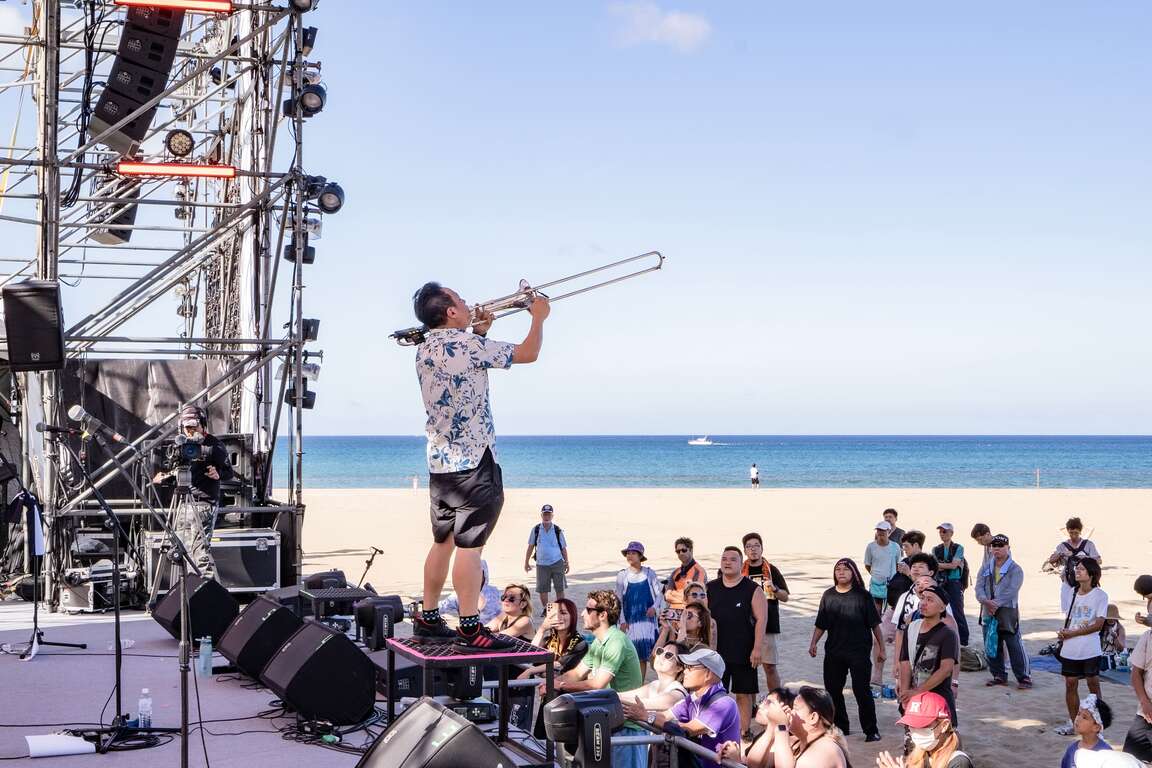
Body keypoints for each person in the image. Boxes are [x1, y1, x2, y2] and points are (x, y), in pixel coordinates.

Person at [409, 281, 549, 650]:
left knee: (443, 542)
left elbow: (460, 364)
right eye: (460, 299)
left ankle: (428, 616)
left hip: (441, 464)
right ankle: (470, 626)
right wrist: (539, 317)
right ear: (450, 311)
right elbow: (528, 353)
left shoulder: (425, 349)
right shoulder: (468, 345)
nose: (468, 301)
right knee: (471, 548)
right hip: (475, 461)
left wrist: (479, 331)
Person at [548, 590, 647, 768]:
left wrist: (561, 685)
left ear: (602, 615)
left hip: (628, 728)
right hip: (610, 723)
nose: (583, 613)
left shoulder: (616, 641)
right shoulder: (598, 642)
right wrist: (550, 684)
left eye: (588, 609)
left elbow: (597, 683)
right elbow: (577, 673)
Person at [151, 404, 234, 578]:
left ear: (202, 424)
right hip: (183, 503)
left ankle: (208, 593)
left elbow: (229, 473)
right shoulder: (181, 445)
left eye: (193, 426)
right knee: (180, 551)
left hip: (204, 504)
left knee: (200, 552)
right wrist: (166, 476)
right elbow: (178, 470)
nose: (190, 431)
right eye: (186, 427)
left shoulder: (214, 446)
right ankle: (187, 591)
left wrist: (218, 474)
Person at [622, 647, 740, 768]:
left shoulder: (724, 704)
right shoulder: (692, 698)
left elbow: (689, 729)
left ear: (708, 674)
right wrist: (640, 712)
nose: (685, 671)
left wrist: (646, 716)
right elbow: (665, 716)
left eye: (690, 667)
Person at [810, 557, 883, 741]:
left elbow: (875, 625)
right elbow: (821, 623)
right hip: (834, 651)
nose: (841, 572)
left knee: (861, 690)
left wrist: (882, 648)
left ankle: (871, 730)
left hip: (859, 651)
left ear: (853, 572)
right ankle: (841, 726)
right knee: (833, 690)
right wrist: (813, 643)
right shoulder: (828, 595)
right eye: (838, 569)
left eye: (845, 569)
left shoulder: (863, 596)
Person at [708, 545, 767, 734]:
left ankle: (743, 731)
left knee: (743, 693)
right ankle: (717, 728)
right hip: (717, 652)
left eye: (733, 559)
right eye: (724, 559)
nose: (727, 562)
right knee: (717, 693)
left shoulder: (752, 589)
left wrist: (757, 648)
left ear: (741, 564)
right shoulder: (711, 588)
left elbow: (761, 619)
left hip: (744, 651)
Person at [1056, 558, 1109, 736]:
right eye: (1077, 569)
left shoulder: (1100, 595)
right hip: (1071, 647)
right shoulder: (1072, 592)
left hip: (1090, 647)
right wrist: (1064, 632)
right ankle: (1074, 722)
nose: (1077, 571)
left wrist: (1073, 633)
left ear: (1092, 574)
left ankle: (1098, 723)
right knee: (1070, 684)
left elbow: (1098, 625)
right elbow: (1070, 618)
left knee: (1093, 684)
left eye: (1082, 569)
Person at [974, 533, 1031, 688]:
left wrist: (995, 603)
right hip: (988, 611)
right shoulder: (986, 567)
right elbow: (979, 586)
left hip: (1007, 611)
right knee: (991, 643)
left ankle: (1024, 677)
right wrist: (985, 601)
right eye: (994, 546)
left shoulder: (1015, 569)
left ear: (1008, 548)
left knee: (1014, 644)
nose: (997, 549)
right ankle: (998, 675)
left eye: (1000, 546)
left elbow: (1012, 590)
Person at [898, 584, 959, 726]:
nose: (924, 603)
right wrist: (906, 692)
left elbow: (946, 669)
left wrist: (918, 691)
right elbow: (905, 662)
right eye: (923, 598)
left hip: (938, 696)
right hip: (914, 695)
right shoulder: (912, 628)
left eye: (930, 600)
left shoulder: (948, 634)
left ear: (942, 608)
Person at [743, 532, 791, 691]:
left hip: (768, 625)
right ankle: (751, 705)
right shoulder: (740, 571)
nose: (753, 549)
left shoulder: (772, 570)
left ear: (762, 548)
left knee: (769, 667)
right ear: (745, 551)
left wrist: (775, 589)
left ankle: (775, 700)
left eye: (756, 545)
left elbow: (785, 597)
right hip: (745, 624)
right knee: (747, 668)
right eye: (749, 546)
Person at [876, 691, 973, 768]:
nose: (916, 732)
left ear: (944, 726)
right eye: (912, 726)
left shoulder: (959, 762)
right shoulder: (922, 753)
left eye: (923, 726)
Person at [615, 541, 664, 677]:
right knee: (633, 656)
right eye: (628, 553)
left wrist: (654, 607)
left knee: (646, 657)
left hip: (647, 622)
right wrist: (622, 621)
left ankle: (641, 684)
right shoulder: (622, 575)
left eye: (633, 553)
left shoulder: (649, 573)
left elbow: (659, 594)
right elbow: (618, 600)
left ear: (640, 556)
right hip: (631, 622)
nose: (630, 556)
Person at [716, 687, 798, 768]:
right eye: (763, 700)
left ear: (783, 712)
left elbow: (753, 765)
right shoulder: (764, 734)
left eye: (769, 703)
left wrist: (736, 761)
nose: (760, 705)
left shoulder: (779, 747)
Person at [771, 686, 851, 768]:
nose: (789, 712)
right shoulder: (799, 742)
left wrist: (781, 727)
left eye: (795, 708)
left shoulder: (825, 749)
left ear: (813, 718)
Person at [519, 597, 587, 679]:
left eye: (563, 613)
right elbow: (530, 657)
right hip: (550, 688)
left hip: (571, 689)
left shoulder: (579, 643)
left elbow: (559, 665)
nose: (558, 617)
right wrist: (542, 630)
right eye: (555, 614)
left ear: (573, 616)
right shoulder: (548, 640)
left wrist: (530, 671)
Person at [1123, 574, 1152, 761]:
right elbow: (1136, 674)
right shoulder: (1147, 638)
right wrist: (1145, 701)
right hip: (1147, 711)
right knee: (1131, 757)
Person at [523, 503, 568, 616]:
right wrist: (526, 562)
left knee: (559, 588)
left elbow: (563, 548)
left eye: (549, 514)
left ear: (552, 515)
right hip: (542, 564)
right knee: (543, 589)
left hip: (557, 562)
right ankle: (547, 609)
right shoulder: (536, 529)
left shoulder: (557, 530)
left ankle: (560, 609)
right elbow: (530, 546)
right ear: (541, 515)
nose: (546, 516)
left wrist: (567, 562)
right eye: (545, 514)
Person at [620, 641, 690, 711]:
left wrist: (614, 698)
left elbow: (643, 703)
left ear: (679, 668)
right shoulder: (655, 684)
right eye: (660, 651)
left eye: (668, 655)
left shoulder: (678, 693)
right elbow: (625, 695)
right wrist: (612, 695)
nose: (661, 656)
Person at [1049, 517, 1104, 603]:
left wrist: (1084, 558)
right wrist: (1061, 554)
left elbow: (1099, 561)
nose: (1074, 535)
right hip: (1068, 581)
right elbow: (1051, 560)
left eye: (1076, 533)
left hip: (1087, 583)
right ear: (1067, 531)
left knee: (1087, 606)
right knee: (1068, 608)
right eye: (1071, 533)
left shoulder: (1088, 544)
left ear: (1080, 532)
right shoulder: (1062, 546)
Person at [932, 523, 969, 647]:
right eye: (941, 532)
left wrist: (941, 565)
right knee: (940, 610)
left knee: (957, 611)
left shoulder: (958, 547)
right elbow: (936, 565)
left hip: (954, 583)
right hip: (941, 582)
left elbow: (953, 565)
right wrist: (949, 565)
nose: (942, 534)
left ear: (951, 533)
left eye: (945, 532)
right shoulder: (936, 549)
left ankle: (963, 641)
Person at [437, 559, 503, 624]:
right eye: (470, 575)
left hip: (493, 629)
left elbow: (506, 611)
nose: (474, 578)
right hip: (469, 629)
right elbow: (440, 607)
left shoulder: (494, 592)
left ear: (484, 575)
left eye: (478, 574)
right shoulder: (459, 595)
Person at [1062, 694, 1114, 768]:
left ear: (1096, 727)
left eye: (1084, 717)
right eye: (1079, 713)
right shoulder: (1071, 749)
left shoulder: (1105, 752)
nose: (1078, 719)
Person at [865, 521, 903, 613]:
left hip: (891, 584)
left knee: (888, 611)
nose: (880, 533)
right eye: (879, 530)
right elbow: (867, 564)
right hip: (875, 584)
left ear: (889, 532)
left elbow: (898, 565)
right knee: (875, 611)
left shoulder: (896, 547)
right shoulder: (871, 546)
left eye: (883, 531)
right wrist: (875, 574)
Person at [665, 537, 708, 609]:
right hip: (673, 615)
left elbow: (695, 596)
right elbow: (667, 596)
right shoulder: (675, 572)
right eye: (678, 551)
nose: (681, 553)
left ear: (691, 550)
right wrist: (686, 597)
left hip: (691, 614)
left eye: (684, 550)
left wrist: (674, 594)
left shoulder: (699, 571)